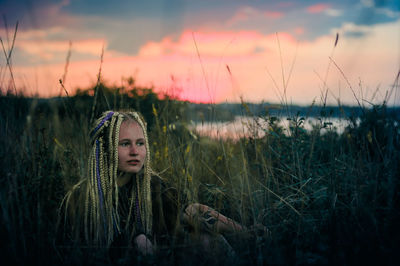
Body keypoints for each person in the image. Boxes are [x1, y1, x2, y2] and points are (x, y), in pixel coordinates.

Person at [59, 110, 263, 263]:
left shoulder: (153, 186)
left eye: (140, 143)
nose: (134, 151)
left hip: (162, 255)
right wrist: (136, 241)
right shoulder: (81, 198)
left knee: (205, 239)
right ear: (105, 149)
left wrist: (244, 232)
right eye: (124, 144)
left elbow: (190, 211)